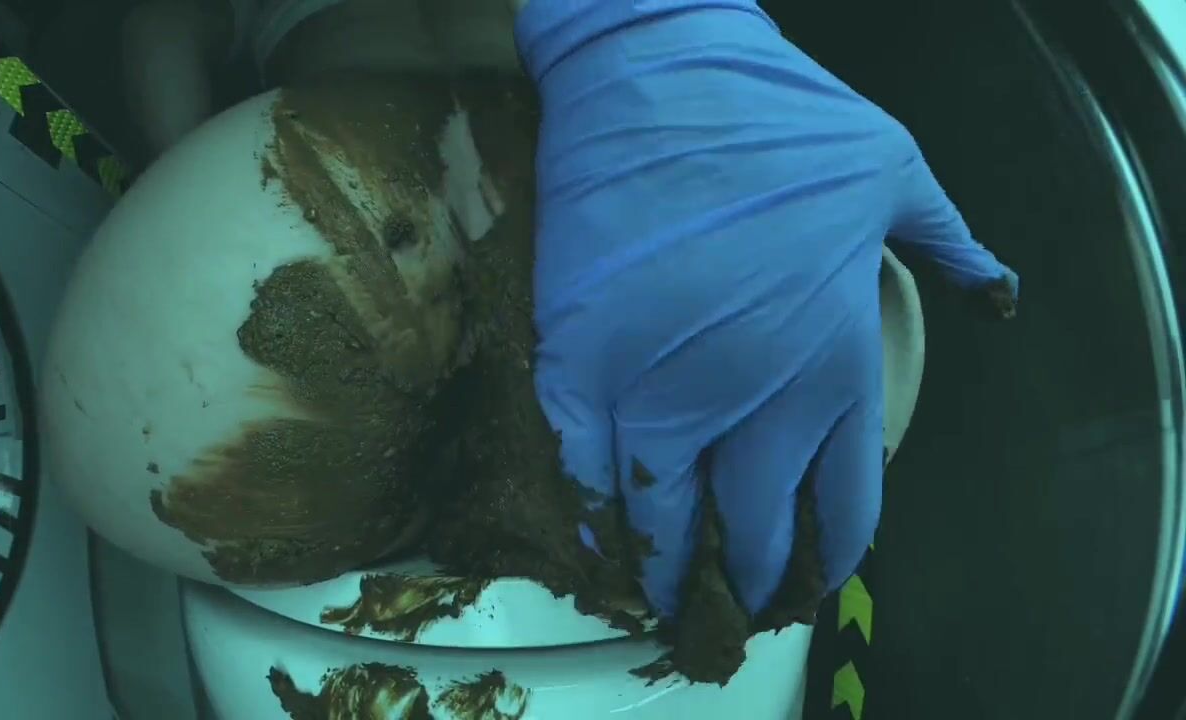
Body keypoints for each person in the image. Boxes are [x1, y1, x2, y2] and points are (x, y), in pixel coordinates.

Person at [122, 0, 1019, 623]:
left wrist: (177, 192)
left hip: (552, 159)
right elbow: (165, 22)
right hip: (420, 184)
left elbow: (163, 26)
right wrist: (184, 195)